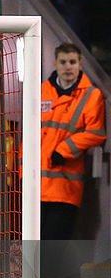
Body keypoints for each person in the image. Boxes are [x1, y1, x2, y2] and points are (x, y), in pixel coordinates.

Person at [40, 43, 106, 240]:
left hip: (64, 186)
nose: (68, 67)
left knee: (55, 244)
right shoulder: (41, 90)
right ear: (55, 63)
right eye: (63, 62)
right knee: (33, 244)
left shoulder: (92, 96)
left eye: (72, 62)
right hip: (36, 185)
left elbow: (96, 132)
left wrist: (65, 149)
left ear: (80, 63)